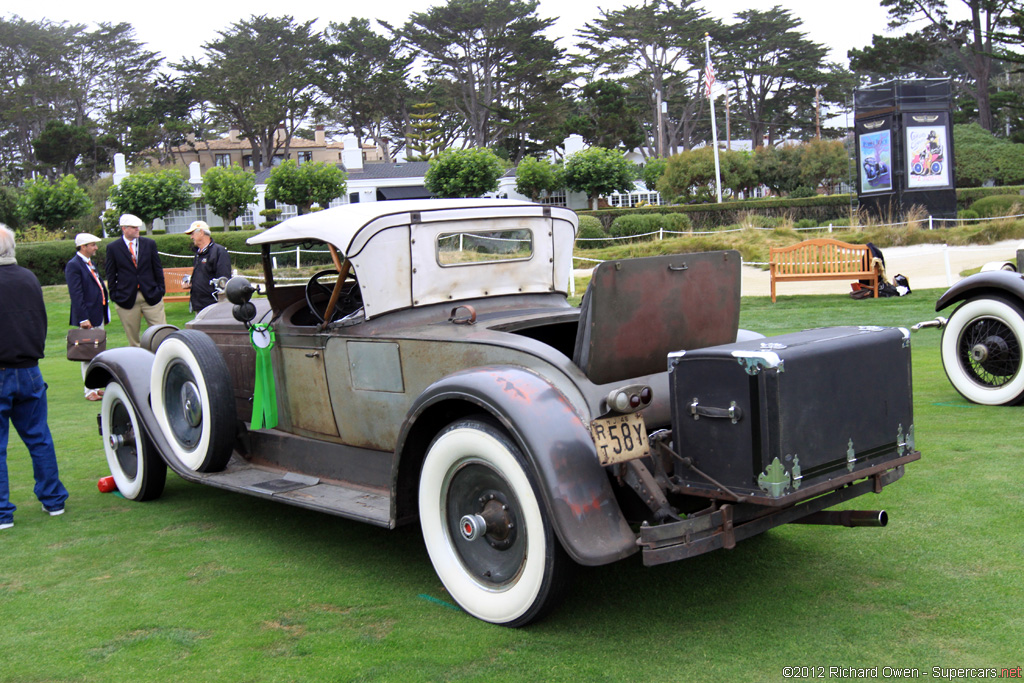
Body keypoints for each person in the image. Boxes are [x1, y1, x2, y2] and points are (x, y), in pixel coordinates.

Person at [0, 224, 70, 530]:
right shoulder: (29, 278)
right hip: (29, 368)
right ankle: (53, 499)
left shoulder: (25, 277)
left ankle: (3, 513)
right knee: (39, 437)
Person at [105, 213, 166, 347]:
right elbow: (111, 273)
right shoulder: (113, 248)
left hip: (151, 295)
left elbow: (157, 268)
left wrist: (160, 289)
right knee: (134, 340)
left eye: (138, 227)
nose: (138, 230)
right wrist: (114, 294)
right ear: (124, 229)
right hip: (126, 298)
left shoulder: (149, 244)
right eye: (134, 228)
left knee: (161, 334)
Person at [66, 233, 109, 401]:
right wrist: (83, 318)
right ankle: (89, 390)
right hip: (88, 317)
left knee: (96, 352)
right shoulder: (74, 265)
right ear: (83, 247)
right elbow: (76, 294)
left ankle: (96, 387)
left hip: (97, 314)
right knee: (87, 353)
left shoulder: (89, 263)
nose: (96, 247)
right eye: (92, 245)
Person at [183, 220, 232, 313]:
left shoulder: (219, 252)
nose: (191, 237)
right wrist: (191, 283)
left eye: (192, 234)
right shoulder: (198, 253)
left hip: (213, 305)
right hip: (199, 304)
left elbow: (223, 280)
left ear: (201, 233)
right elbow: (203, 275)